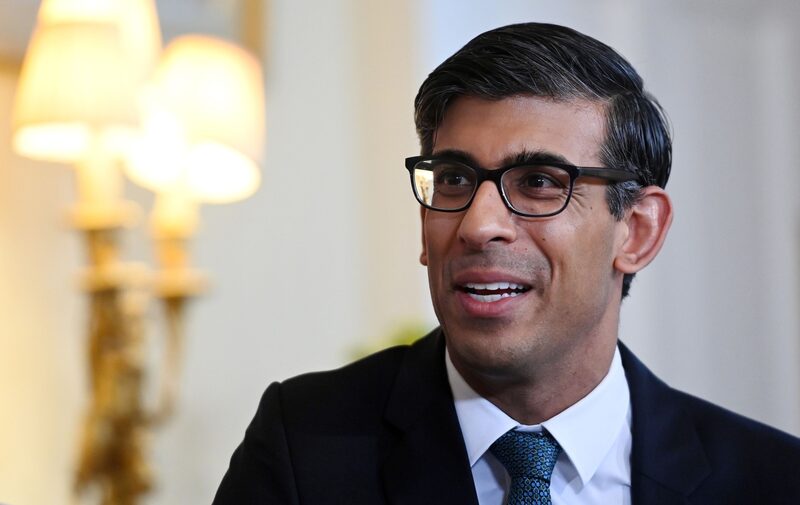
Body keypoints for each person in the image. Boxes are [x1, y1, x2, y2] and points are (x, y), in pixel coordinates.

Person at [213, 22, 800, 504]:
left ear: (638, 232)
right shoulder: (305, 447)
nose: (477, 224)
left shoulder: (770, 480)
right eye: (454, 179)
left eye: (540, 182)